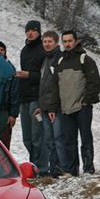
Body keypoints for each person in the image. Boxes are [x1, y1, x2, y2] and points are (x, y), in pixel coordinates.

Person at [57, 30, 100, 175]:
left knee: (85, 139)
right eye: (65, 41)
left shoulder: (85, 59)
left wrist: (86, 101)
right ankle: (72, 171)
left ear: (76, 41)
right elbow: (56, 85)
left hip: (82, 107)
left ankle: (88, 169)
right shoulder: (60, 61)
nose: (67, 44)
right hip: (66, 108)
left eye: (70, 41)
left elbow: (95, 83)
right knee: (69, 141)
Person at [17, 20, 47, 173]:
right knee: (27, 138)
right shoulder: (24, 50)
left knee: (37, 137)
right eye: (28, 30)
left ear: (39, 32)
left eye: (34, 30)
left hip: (37, 98)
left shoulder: (43, 50)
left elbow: (45, 76)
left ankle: (41, 168)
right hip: (24, 98)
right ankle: (33, 165)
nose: (30, 33)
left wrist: (29, 75)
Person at [37, 30, 65, 177]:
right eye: (45, 41)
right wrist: (40, 106)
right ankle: (53, 169)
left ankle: (62, 169)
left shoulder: (59, 58)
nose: (47, 44)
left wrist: (53, 107)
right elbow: (43, 85)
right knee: (49, 140)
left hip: (56, 107)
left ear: (56, 43)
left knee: (58, 139)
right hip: (45, 106)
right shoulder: (45, 59)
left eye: (50, 41)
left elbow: (57, 85)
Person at [0, 41, 20, 148]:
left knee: (3, 144)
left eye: (2, 50)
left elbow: (15, 92)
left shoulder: (10, 69)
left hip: (4, 111)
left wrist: (13, 114)